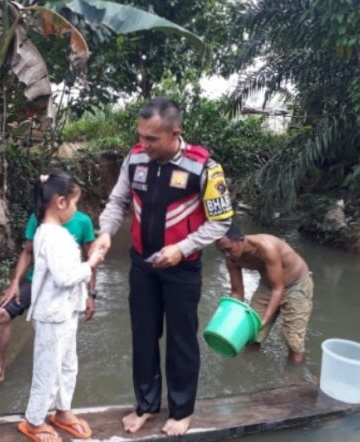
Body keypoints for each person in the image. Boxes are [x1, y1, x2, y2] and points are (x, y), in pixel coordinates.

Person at [90, 97, 234, 436]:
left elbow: (221, 221)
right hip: (142, 264)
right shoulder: (135, 157)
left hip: (182, 270)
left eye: (152, 139)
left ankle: (182, 411)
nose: (144, 144)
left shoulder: (205, 167)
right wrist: (105, 233)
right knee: (143, 336)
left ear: (174, 133)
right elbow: (118, 202)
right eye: (141, 136)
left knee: (181, 340)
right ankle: (146, 406)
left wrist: (182, 249)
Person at [17, 172, 104, 442]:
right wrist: (91, 262)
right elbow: (65, 276)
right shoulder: (51, 236)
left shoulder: (53, 232)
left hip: (65, 312)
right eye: (76, 204)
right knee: (48, 368)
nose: (77, 211)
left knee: (68, 364)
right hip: (52, 315)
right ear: (61, 203)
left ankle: (62, 411)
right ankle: (34, 420)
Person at [0, 209, 97, 390]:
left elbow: (90, 259)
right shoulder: (39, 217)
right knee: (3, 313)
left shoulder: (83, 222)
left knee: (62, 331)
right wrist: (15, 283)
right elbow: (28, 252)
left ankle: (59, 379)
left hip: (66, 286)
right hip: (35, 280)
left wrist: (91, 294)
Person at [215, 223, 314, 364]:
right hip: (268, 286)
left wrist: (264, 321)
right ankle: (249, 369)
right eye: (222, 251)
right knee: (251, 335)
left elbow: (278, 289)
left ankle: (295, 377)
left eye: (228, 249)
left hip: (296, 284)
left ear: (241, 239)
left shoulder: (266, 247)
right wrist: (230, 319)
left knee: (293, 341)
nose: (226, 255)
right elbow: (237, 292)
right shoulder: (231, 259)